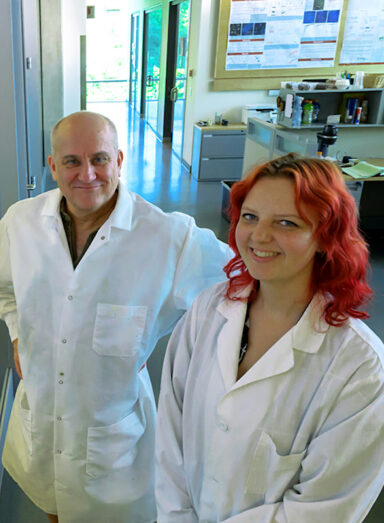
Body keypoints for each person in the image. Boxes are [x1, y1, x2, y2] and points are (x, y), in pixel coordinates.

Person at [0, 111, 231, 522]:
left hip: (112, 437)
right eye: (71, 162)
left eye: (99, 159)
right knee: (54, 505)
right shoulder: (20, 223)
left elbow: (243, 278)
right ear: (52, 166)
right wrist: (15, 335)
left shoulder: (168, 236)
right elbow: (3, 289)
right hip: (43, 414)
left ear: (119, 161)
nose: (87, 174)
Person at [156, 154, 384, 522]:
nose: (259, 236)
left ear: (326, 237)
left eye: (287, 223)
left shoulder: (361, 369)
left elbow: (323, 509)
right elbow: (170, 435)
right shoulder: (207, 311)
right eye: (250, 216)